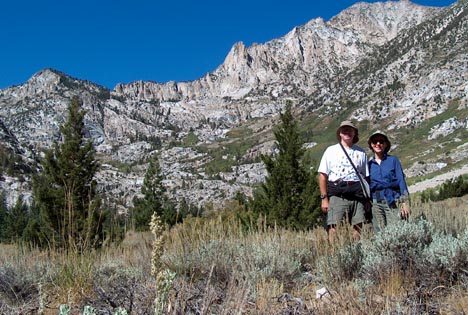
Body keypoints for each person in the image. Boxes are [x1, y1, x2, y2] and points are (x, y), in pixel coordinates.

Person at [318, 121, 370, 241]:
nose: (347, 132)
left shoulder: (361, 152)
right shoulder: (330, 151)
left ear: (354, 133)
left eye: (350, 130)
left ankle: (357, 253)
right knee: (333, 228)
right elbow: (322, 176)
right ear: (340, 133)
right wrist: (324, 199)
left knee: (358, 227)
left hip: (357, 195)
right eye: (344, 130)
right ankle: (334, 254)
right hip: (337, 194)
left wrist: (367, 199)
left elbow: (365, 177)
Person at [368, 131, 410, 233]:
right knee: (379, 232)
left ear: (386, 144)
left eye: (381, 141)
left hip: (392, 199)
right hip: (376, 200)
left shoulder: (393, 160)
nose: (378, 144)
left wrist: (404, 202)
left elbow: (401, 181)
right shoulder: (369, 165)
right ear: (371, 144)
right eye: (375, 141)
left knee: (396, 230)